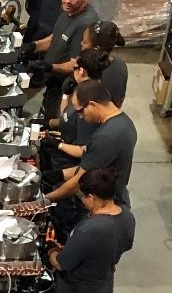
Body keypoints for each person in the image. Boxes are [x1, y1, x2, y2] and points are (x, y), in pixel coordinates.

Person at [45, 80, 136, 239]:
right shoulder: (124, 123)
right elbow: (93, 161)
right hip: (113, 191)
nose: (80, 117)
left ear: (93, 105)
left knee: (75, 239)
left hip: (100, 201)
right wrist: (59, 174)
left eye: (80, 112)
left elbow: (80, 181)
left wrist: (46, 199)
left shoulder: (106, 137)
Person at [20, 0, 98, 121]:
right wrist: (33, 46)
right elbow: (55, 37)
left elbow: (77, 64)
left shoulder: (85, 24)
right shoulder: (67, 9)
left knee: (52, 122)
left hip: (63, 89)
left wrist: (50, 67)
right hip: (51, 82)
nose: (67, 0)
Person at [39, 48, 109, 175]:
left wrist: (58, 145)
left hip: (69, 162)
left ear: (81, 71)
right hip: (62, 149)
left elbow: (83, 150)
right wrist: (65, 95)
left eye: (75, 67)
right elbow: (65, 115)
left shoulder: (89, 105)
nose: (72, 70)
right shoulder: (82, 90)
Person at [82, 20, 127, 105]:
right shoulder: (121, 64)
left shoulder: (90, 71)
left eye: (84, 42)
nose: (81, 44)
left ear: (96, 49)